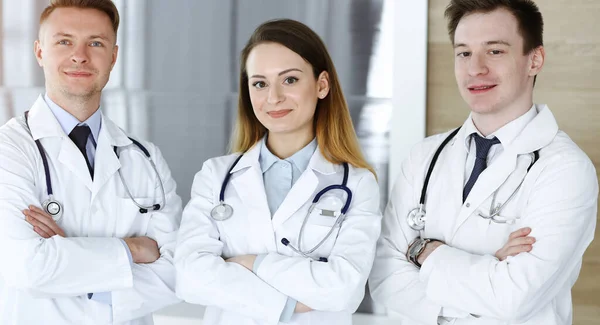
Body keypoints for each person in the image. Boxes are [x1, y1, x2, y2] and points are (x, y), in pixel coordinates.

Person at [369, 1, 598, 324]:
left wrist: (423, 251)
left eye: (495, 51)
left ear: (535, 59)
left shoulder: (566, 170)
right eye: (463, 53)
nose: (475, 69)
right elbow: (383, 278)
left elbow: (513, 298)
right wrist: (487, 270)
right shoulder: (425, 156)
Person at [175, 18, 382, 325]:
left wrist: (253, 264)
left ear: (321, 85)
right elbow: (189, 277)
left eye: (290, 80)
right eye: (260, 83)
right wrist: (286, 304)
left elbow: (343, 290)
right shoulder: (215, 176)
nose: (273, 98)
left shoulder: (358, 184)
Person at [0, 0, 182, 323]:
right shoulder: (10, 148)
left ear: (113, 57)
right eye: (64, 41)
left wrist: (70, 256)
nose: (80, 55)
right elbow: (28, 267)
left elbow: (176, 271)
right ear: (40, 51)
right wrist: (133, 250)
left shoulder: (146, 158)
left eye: (95, 43)